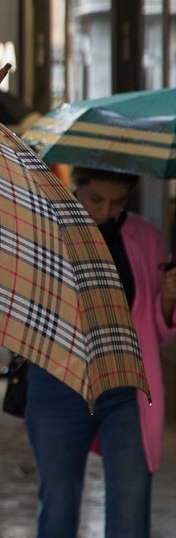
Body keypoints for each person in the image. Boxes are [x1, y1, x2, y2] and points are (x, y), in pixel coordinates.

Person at [24, 167, 176, 538]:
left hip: (126, 388)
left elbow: (156, 331)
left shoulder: (146, 238)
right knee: (58, 505)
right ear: (78, 183)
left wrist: (169, 300)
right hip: (58, 381)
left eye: (118, 202)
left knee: (131, 507)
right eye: (96, 199)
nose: (105, 211)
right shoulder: (44, 228)